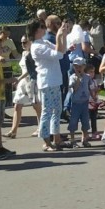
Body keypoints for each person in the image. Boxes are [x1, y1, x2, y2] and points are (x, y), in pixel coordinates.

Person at [28, 17, 69, 152]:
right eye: (41, 26)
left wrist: (63, 35)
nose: (44, 29)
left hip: (55, 80)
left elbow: (63, 51)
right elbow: (57, 54)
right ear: (35, 30)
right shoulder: (36, 46)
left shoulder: (44, 42)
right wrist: (58, 36)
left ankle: (56, 139)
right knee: (47, 111)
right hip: (47, 81)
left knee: (57, 110)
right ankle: (46, 142)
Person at [6, 35, 42, 138]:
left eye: (25, 42)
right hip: (23, 83)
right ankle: (13, 131)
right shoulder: (24, 53)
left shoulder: (33, 54)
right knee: (17, 105)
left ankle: (41, 128)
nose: (22, 44)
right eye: (21, 42)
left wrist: (18, 78)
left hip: (31, 82)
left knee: (36, 106)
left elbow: (30, 71)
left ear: (30, 42)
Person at [67, 57, 93, 147]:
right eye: (76, 66)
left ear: (84, 66)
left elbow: (90, 87)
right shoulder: (72, 78)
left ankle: (84, 139)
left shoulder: (87, 77)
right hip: (76, 103)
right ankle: (73, 140)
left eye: (80, 66)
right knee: (73, 122)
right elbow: (74, 89)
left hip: (85, 103)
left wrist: (93, 95)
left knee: (85, 122)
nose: (78, 68)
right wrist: (78, 78)